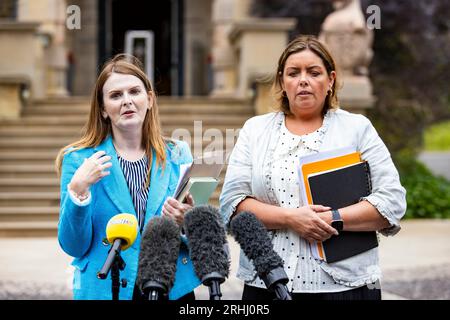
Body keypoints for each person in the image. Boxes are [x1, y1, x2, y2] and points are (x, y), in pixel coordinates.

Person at [219, 35, 406, 300]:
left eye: (314, 72)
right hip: (267, 284)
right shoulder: (255, 130)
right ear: (283, 82)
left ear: (330, 80)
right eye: (293, 73)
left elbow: (392, 202)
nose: (303, 80)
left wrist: (331, 219)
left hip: (345, 287)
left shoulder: (357, 129)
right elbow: (232, 204)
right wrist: (292, 219)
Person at [55, 54, 200, 300]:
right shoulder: (78, 160)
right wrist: (78, 191)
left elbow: (196, 235)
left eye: (134, 91)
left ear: (150, 99)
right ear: (102, 109)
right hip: (106, 287)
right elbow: (73, 246)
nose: (127, 101)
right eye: (115, 95)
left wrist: (186, 220)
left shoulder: (178, 153)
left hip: (170, 286)